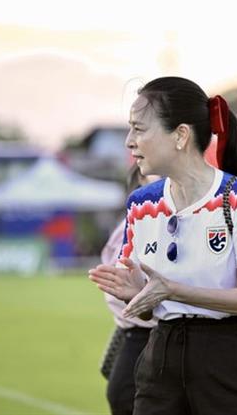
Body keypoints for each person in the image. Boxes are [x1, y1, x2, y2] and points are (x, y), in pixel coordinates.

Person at [89, 76, 237, 415]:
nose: (129, 142)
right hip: (161, 355)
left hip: (230, 359)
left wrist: (170, 290)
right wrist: (137, 295)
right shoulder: (141, 204)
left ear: (180, 135)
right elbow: (149, 308)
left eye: (139, 129)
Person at [101, 165, 159, 415]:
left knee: (128, 398)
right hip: (131, 331)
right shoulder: (136, 214)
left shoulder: (167, 217)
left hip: (149, 333)